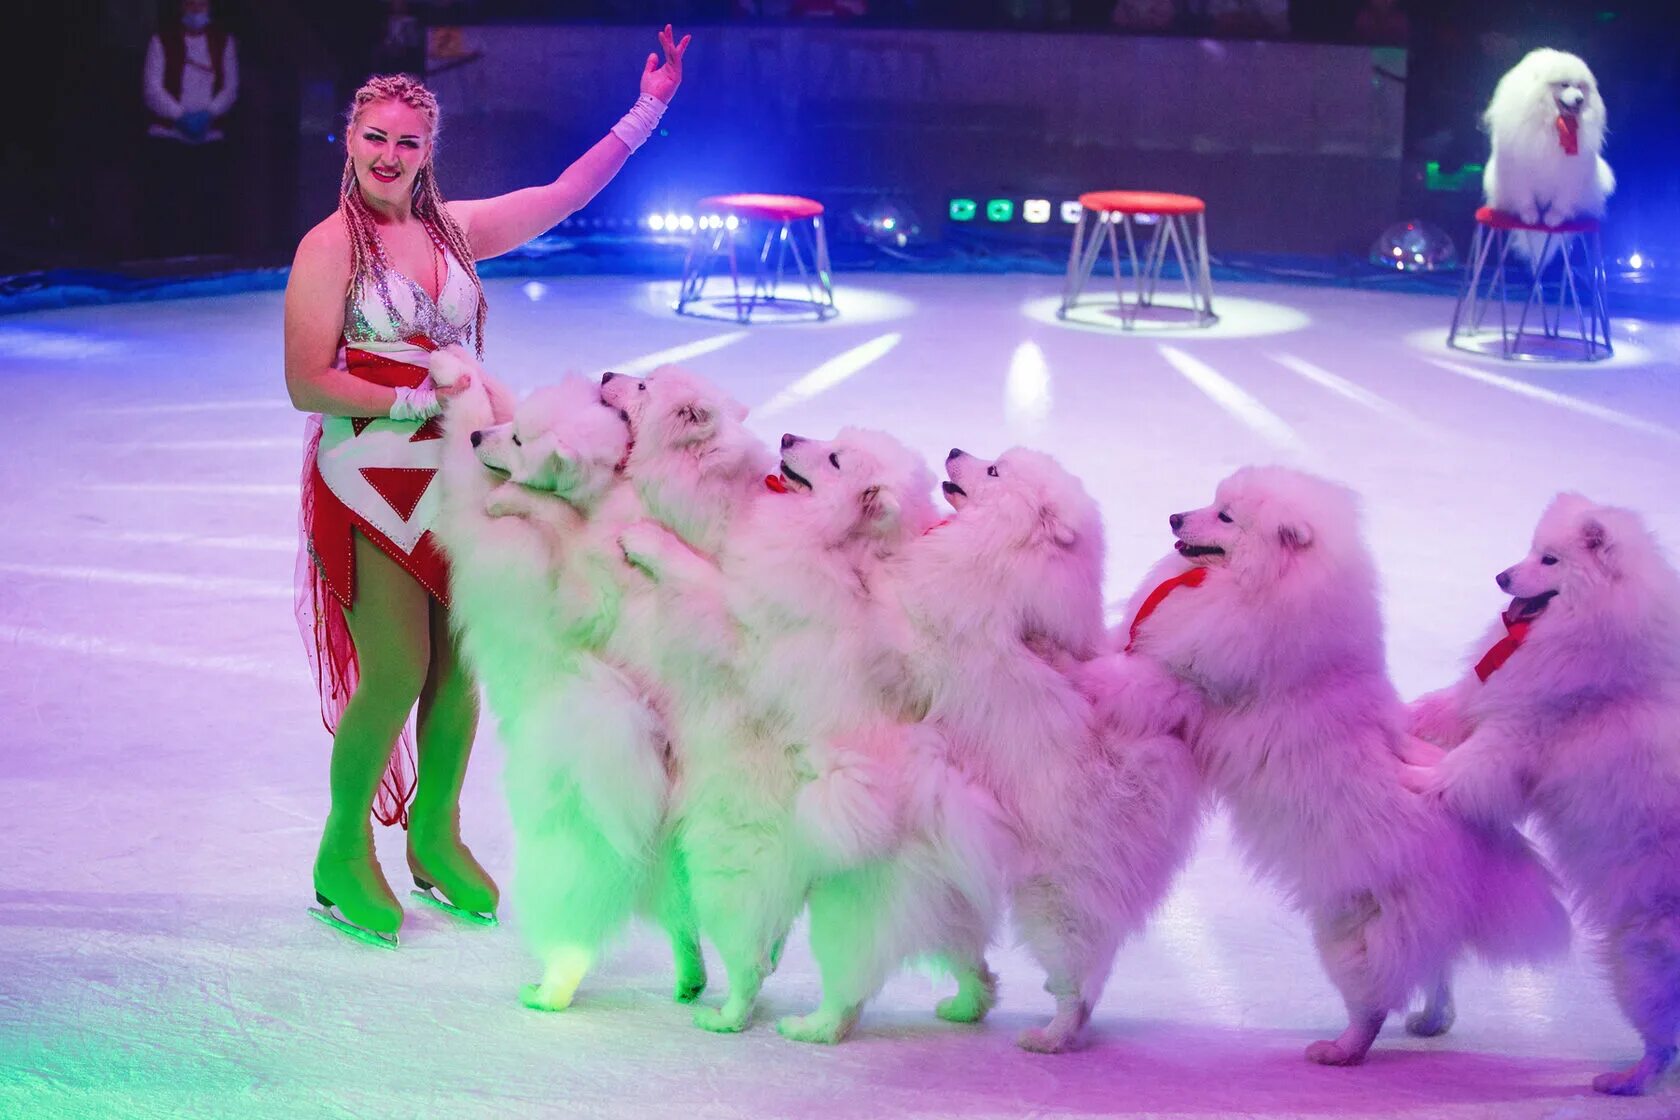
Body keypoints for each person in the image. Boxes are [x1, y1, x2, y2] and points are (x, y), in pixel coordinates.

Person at [283, 25, 692, 947]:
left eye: (408, 141)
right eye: (375, 137)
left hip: (461, 480)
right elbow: (308, 381)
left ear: (429, 152)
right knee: (396, 667)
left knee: (463, 668)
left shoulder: (455, 231)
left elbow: (562, 192)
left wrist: (647, 109)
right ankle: (343, 847)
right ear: (350, 141)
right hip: (365, 479)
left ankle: (435, 832)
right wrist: (417, 391)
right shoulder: (327, 248)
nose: (390, 155)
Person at [141, 0, 239, 257]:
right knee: (169, 204)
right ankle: (167, 259)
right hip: (168, 137)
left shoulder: (222, 42)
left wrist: (209, 114)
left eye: (201, 4)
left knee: (207, 205)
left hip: (209, 138)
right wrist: (179, 116)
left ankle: (206, 259)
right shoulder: (161, 41)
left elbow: (230, 87)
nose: (196, 9)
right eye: (190, 4)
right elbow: (152, 88)